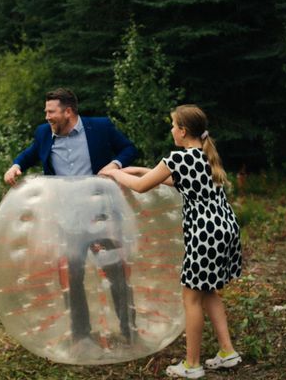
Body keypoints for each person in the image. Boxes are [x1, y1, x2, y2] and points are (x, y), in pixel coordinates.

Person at [103, 104, 242, 379]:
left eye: (173, 125)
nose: (170, 129)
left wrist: (115, 173)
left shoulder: (178, 158)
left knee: (191, 298)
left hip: (205, 235)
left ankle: (192, 365)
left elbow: (143, 187)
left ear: (182, 131)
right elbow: (168, 181)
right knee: (209, 291)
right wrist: (139, 169)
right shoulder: (203, 155)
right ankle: (227, 352)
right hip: (224, 229)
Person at [3, 88, 138, 351]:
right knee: (72, 276)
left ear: (68, 111)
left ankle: (129, 333)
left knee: (116, 274)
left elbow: (129, 148)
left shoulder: (100, 127)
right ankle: (81, 336)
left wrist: (115, 165)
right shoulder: (44, 134)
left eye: (51, 111)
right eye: (46, 112)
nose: (47, 116)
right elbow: (31, 153)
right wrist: (16, 164)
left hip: (102, 217)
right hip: (67, 220)